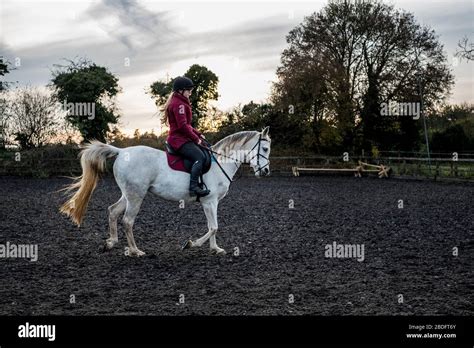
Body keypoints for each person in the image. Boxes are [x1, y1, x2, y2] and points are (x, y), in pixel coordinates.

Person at [162, 76, 210, 197]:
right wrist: (196, 139)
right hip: (178, 140)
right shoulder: (179, 105)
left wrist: (199, 134)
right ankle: (193, 187)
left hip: (182, 138)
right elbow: (183, 127)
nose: (190, 92)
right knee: (199, 157)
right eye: (188, 90)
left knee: (204, 151)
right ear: (180, 91)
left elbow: (187, 125)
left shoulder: (180, 102)